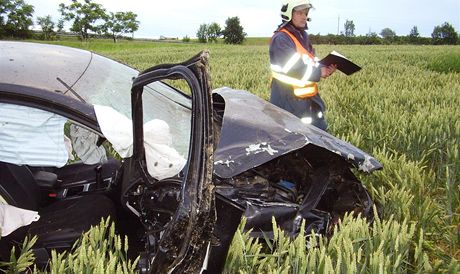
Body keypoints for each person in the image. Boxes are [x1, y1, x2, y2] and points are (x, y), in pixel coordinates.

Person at [269, 0, 336, 131]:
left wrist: (324, 67)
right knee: (296, 142)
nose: (304, 16)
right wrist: (318, 72)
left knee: (319, 136)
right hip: (288, 101)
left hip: (308, 101)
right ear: (288, 14)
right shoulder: (281, 38)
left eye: (305, 13)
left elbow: (309, 60)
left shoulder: (302, 36)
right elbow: (293, 68)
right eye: (300, 13)